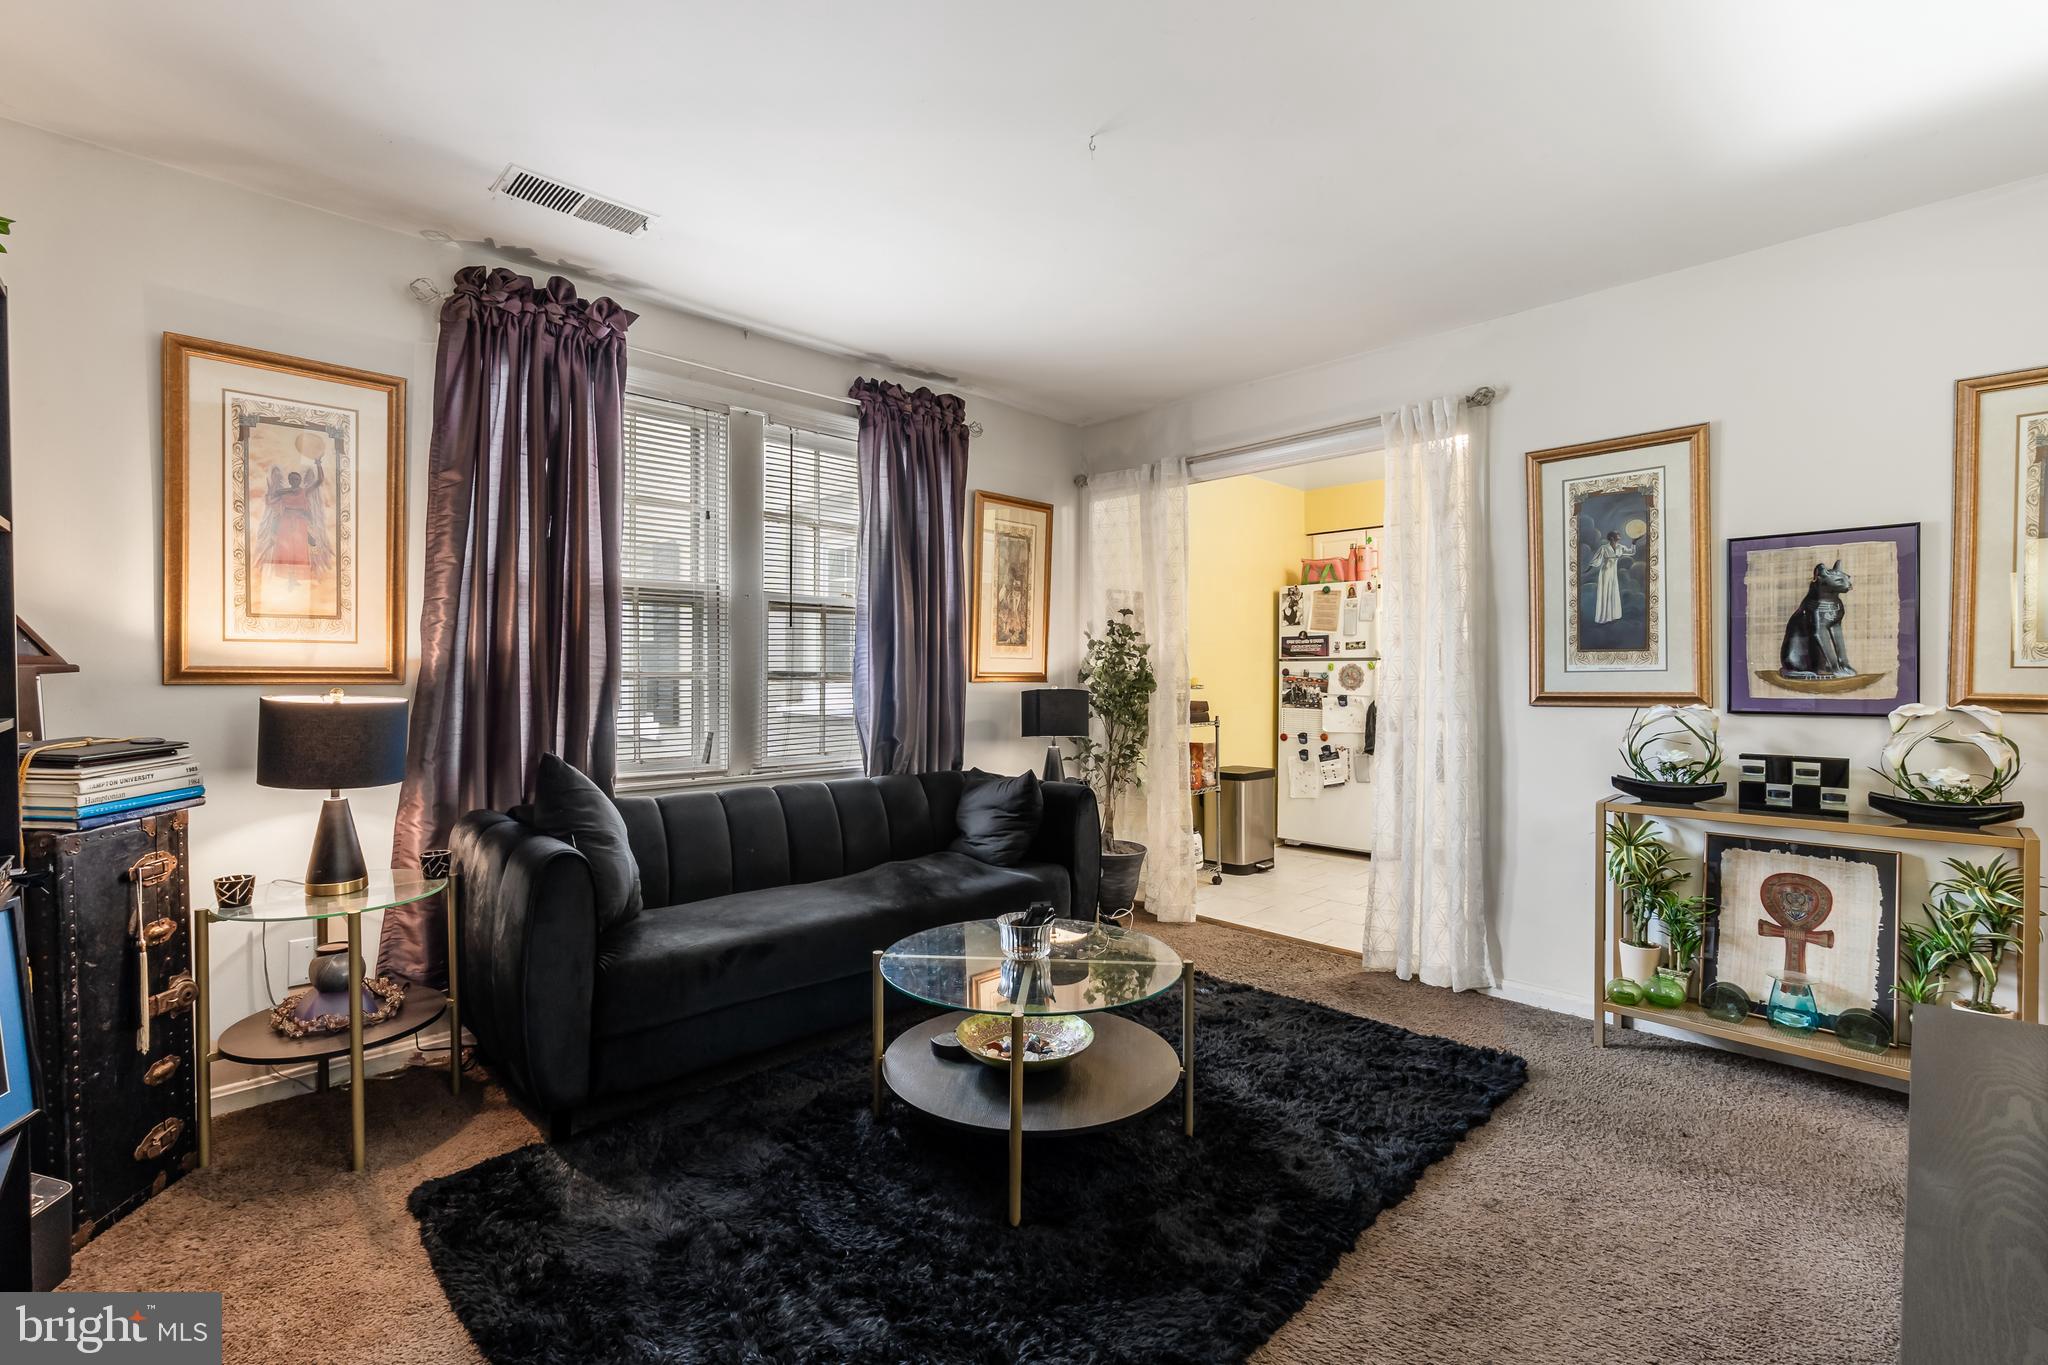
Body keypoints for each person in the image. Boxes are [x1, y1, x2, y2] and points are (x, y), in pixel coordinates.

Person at [1588, 530, 1634, 625]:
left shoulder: (1620, 547)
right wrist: (1588, 570)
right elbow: (1596, 560)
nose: (1619, 535)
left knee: (1613, 591)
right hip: (1605, 572)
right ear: (1612, 537)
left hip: (1613, 573)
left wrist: (1634, 543)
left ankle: (1613, 615)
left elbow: (1631, 552)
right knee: (1605, 592)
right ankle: (1603, 617)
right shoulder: (1604, 548)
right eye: (1618, 534)